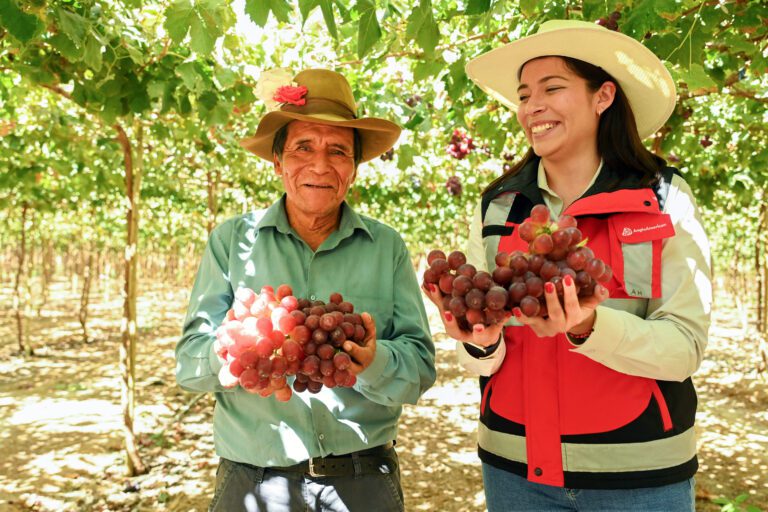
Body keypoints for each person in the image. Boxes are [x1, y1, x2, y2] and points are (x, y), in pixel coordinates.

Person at [423, 20, 711, 511]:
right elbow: (481, 357)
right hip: (513, 472)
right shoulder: (499, 206)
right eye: (523, 94)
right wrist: (479, 342)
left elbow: (684, 345)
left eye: (552, 88)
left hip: (639, 479)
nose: (531, 106)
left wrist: (589, 326)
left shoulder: (662, 197)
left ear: (603, 97)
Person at [176, 68, 436, 512]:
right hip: (254, 481)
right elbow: (188, 363)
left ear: (353, 169)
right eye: (303, 148)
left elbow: (420, 370)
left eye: (338, 151)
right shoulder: (231, 241)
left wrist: (374, 363)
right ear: (277, 163)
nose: (320, 165)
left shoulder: (386, 246)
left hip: (363, 481)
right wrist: (240, 353)